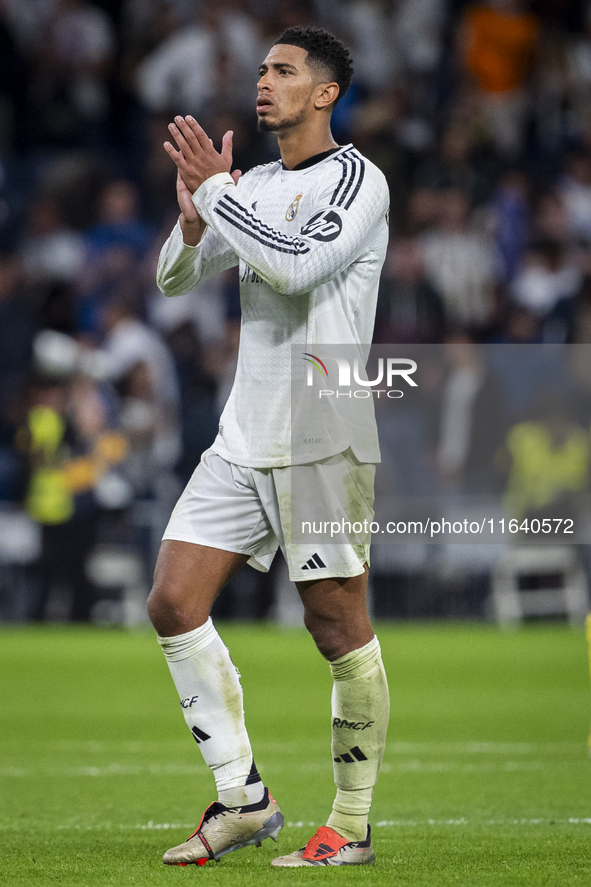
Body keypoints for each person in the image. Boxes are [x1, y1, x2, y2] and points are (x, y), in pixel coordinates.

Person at [148, 25, 390, 869]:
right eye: (260, 70)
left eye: (284, 72)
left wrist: (217, 196)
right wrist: (191, 219)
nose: (263, 83)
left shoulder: (358, 181)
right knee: (173, 601)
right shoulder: (245, 182)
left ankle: (350, 824)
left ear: (324, 93)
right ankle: (243, 796)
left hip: (323, 429)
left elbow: (295, 266)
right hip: (244, 432)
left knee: (335, 626)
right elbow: (174, 282)